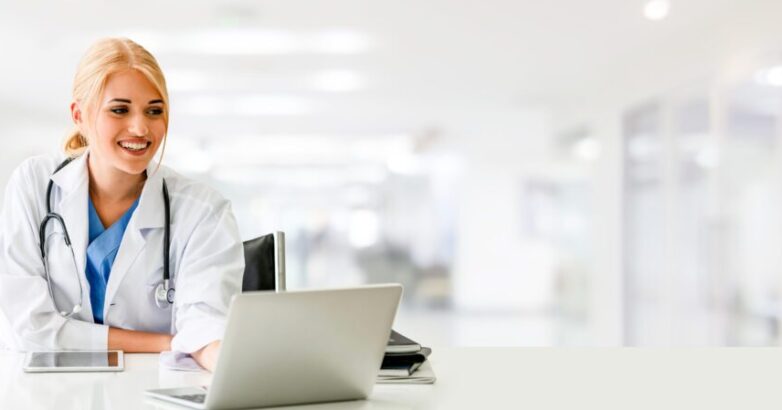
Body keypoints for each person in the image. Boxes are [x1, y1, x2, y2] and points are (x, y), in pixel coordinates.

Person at [0, 38, 244, 371]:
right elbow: (28, 329)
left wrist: (220, 355)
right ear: (79, 115)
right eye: (120, 109)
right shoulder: (34, 185)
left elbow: (206, 329)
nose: (140, 127)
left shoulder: (203, 212)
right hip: (48, 396)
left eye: (154, 111)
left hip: (149, 394)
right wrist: (167, 343)